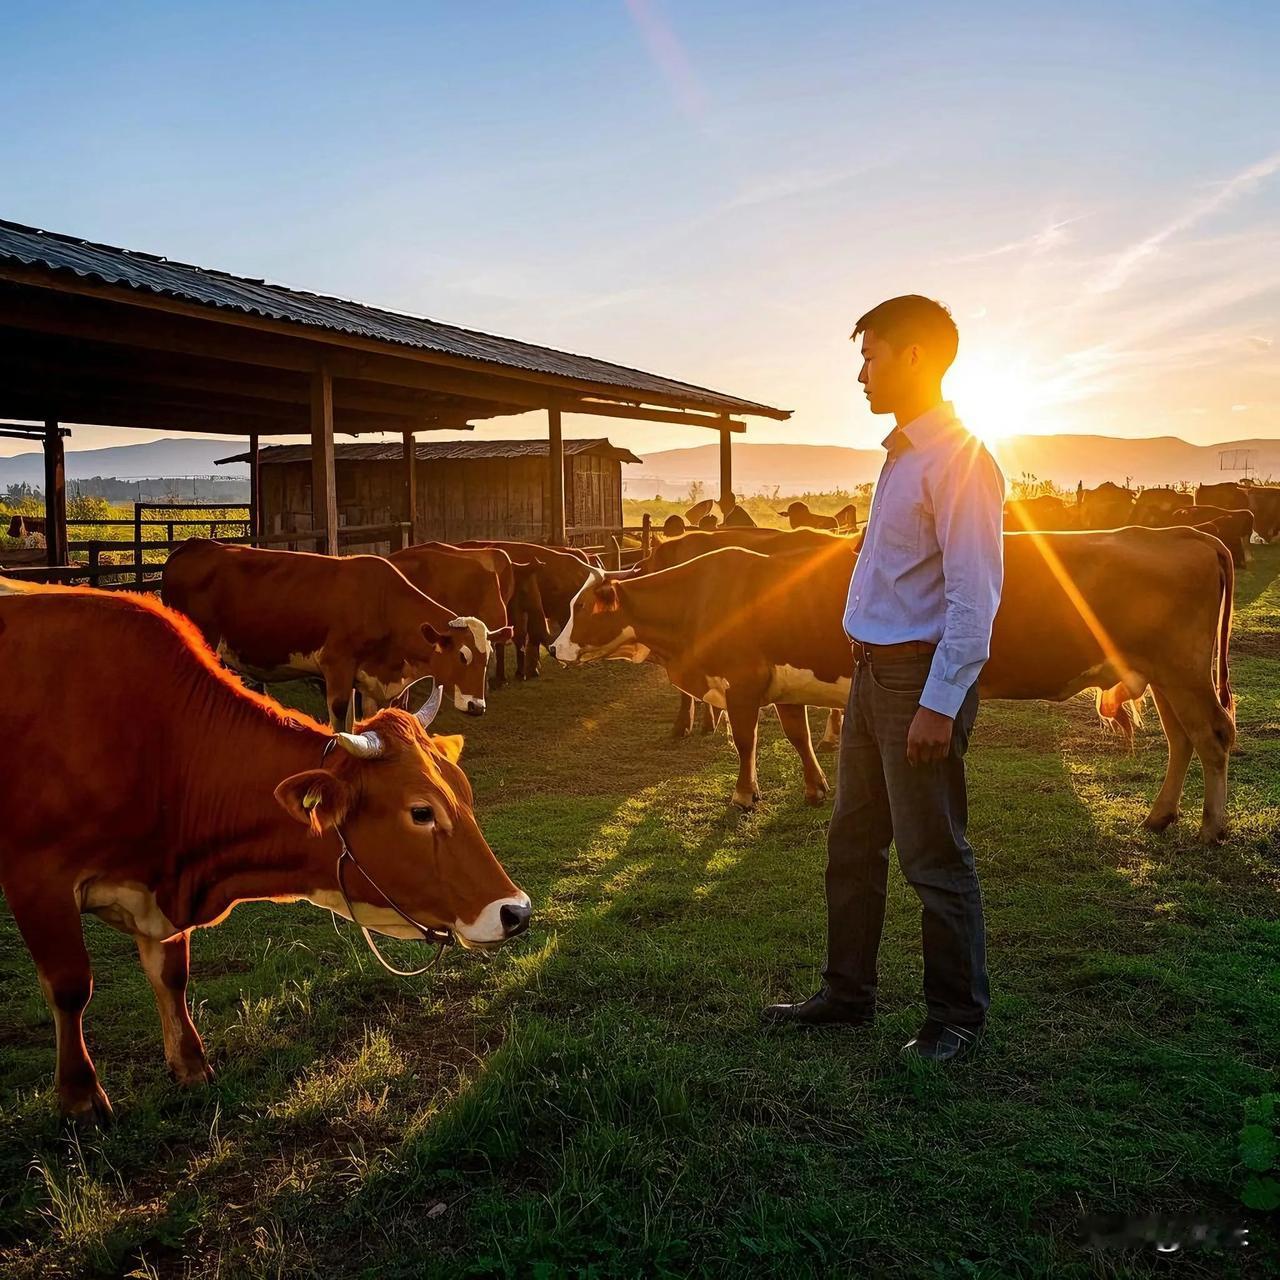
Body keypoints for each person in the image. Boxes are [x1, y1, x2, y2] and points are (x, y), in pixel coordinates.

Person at [763, 295, 1005, 1064]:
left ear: (914, 358)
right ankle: (846, 993)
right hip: (872, 676)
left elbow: (975, 596)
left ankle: (957, 1019)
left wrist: (937, 703)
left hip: (916, 680)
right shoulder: (901, 454)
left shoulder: (959, 459)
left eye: (870, 355)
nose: (860, 372)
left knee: (932, 853)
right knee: (851, 841)